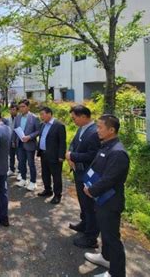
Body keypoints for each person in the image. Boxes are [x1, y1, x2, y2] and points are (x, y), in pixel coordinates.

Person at [82, 114, 130, 277]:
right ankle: (105, 257)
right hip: (101, 199)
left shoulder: (118, 153)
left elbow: (109, 179)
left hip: (110, 201)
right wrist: (88, 183)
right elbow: (97, 169)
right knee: (105, 231)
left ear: (111, 130)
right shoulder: (106, 146)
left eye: (100, 127)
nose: (97, 131)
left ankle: (117, 273)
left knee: (112, 238)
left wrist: (92, 190)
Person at [66, 105, 101, 248]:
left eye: (75, 118)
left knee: (90, 205)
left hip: (88, 175)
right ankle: (84, 223)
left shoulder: (94, 132)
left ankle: (91, 237)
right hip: (78, 171)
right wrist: (69, 155)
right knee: (83, 202)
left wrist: (73, 156)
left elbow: (93, 155)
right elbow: (73, 145)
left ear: (83, 117)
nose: (73, 121)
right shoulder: (81, 129)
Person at [36, 107, 66, 204]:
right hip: (44, 153)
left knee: (56, 176)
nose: (41, 116)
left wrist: (61, 156)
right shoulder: (42, 125)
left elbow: (62, 142)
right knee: (45, 174)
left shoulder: (59, 125)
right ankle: (47, 190)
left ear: (49, 114)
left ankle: (57, 195)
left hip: (54, 155)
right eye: (40, 114)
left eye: (42, 114)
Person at [12, 99, 40, 191]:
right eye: (20, 107)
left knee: (31, 163)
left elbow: (38, 131)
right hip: (19, 144)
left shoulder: (34, 118)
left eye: (23, 106)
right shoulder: (18, 118)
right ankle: (23, 179)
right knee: (21, 162)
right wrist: (13, 141)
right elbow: (15, 130)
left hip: (30, 143)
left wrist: (30, 136)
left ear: (28, 107)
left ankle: (33, 181)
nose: (21, 108)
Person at [7, 103, 19, 176]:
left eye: (14, 109)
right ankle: (11, 169)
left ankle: (20, 171)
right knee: (11, 156)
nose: (12, 111)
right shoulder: (8, 119)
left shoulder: (19, 118)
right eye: (11, 109)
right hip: (9, 140)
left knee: (19, 156)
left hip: (17, 140)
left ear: (17, 110)